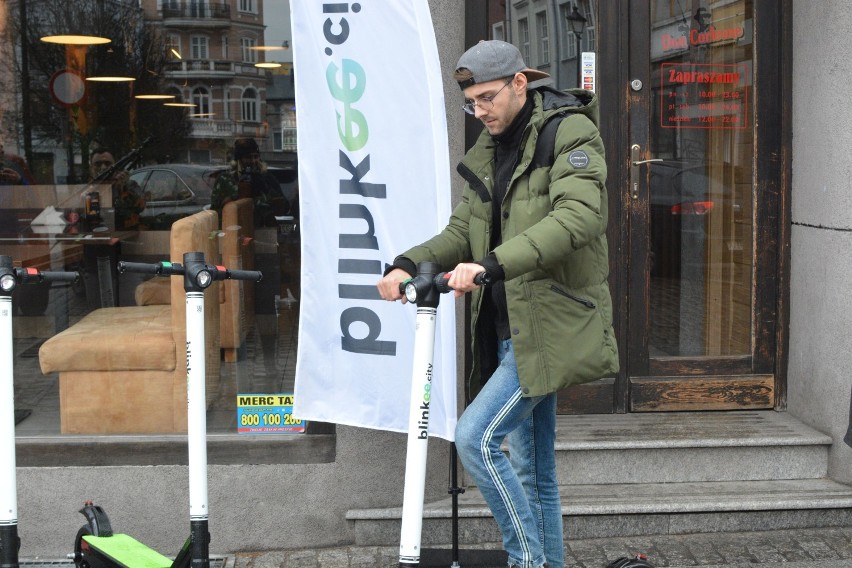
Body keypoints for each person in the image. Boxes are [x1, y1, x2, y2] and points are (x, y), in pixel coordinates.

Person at [377, 40, 619, 568]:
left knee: (476, 439)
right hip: (512, 325)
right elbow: (463, 230)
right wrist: (405, 261)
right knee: (534, 470)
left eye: (487, 98)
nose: (480, 111)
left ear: (518, 83)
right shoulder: (490, 149)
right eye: (471, 102)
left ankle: (526, 561)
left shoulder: (570, 131)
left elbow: (578, 218)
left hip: (552, 320)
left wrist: (490, 265)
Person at [211, 137, 288, 227]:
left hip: (263, 231)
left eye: (255, 157)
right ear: (238, 160)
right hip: (235, 229)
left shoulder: (267, 178)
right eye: (248, 157)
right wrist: (237, 197)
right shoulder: (226, 179)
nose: (253, 161)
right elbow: (214, 212)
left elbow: (284, 208)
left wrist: (266, 189)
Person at [89, 147, 146, 229]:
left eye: (108, 164)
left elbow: (141, 207)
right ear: (91, 168)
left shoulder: (129, 185)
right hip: (92, 238)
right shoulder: (84, 190)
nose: (103, 167)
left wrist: (123, 188)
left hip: (124, 238)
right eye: (98, 164)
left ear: (115, 166)